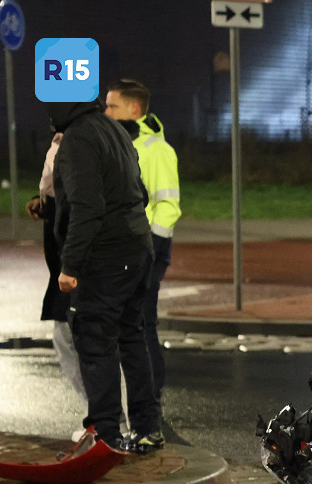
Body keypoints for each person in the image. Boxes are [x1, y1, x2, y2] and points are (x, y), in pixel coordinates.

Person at [47, 100, 163, 454]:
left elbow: (88, 207)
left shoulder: (78, 139)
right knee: (131, 336)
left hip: (107, 256)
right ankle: (147, 429)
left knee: (95, 341)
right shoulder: (112, 128)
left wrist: (70, 266)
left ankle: (106, 437)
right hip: (137, 247)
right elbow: (138, 193)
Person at [104, 78, 181, 401]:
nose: (106, 112)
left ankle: (150, 394)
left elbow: (167, 205)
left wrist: (152, 248)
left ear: (133, 109)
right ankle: (139, 395)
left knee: (141, 323)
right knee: (128, 325)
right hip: (122, 250)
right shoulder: (121, 143)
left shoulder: (157, 150)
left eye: (112, 106)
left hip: (145, 249)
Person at [26, 134, 88, 430]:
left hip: (76, 267)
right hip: (64, 265)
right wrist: (44, 203)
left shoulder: (84, 138)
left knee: (84, 342)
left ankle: (109, 422)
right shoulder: (61, 138)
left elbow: (82, 211)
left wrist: (71, 266)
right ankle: (102, 419)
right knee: (67, 339)